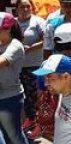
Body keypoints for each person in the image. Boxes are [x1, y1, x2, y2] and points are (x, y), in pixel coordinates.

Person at [14, 0, 45, 133]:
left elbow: (46, 40)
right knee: (25, 96)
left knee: (37, 95)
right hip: (18, 67)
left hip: (36, 65)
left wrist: (30, 47)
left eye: (28, 6)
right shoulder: (12, 23)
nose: (26, 9)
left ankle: (42, 122)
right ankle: (31, 119)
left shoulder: (38, 22)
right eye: (22, 7)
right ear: (17, 9)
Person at [0, 12, 27, 144]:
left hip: (9, 98)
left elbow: (2, 62)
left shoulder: (15, 45)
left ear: (8, 28)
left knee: (15, 136)